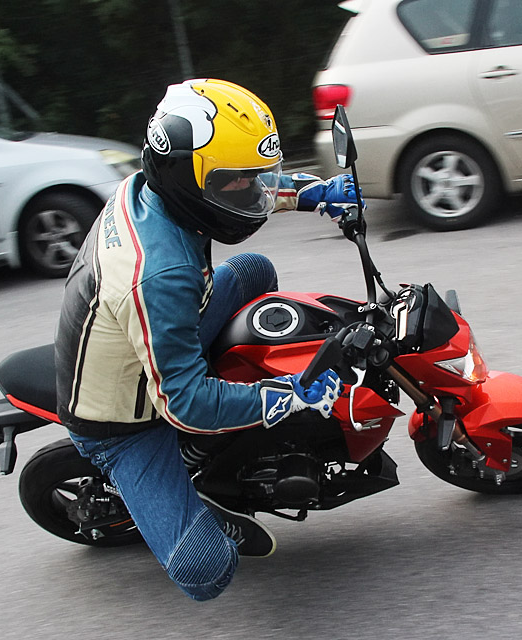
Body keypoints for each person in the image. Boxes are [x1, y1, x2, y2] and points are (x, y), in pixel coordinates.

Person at [54, 78, 358, 601]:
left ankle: (230, 419)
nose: (251, 190)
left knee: (253, 269)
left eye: (252, 178)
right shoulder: (160, 271)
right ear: (185, 176)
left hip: (153, 327)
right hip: (122, 423)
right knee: (206, 571)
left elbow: (246, 188)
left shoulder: (155, 191)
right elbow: (183, 403)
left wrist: (313, 191)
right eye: (235, 181)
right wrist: (288, 394)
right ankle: (206, 492)